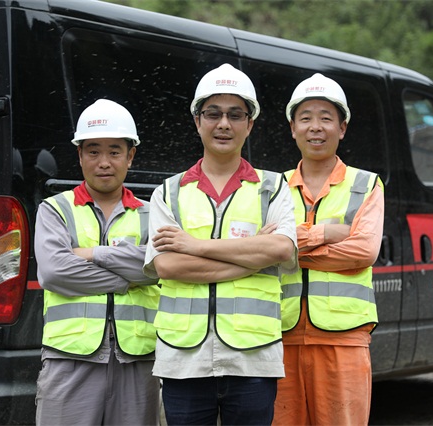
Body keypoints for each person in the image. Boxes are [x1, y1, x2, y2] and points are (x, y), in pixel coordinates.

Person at [143, 63, 298, 426]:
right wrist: (253, 254)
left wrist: (193, 245)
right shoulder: (169, 192)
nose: (224, 124)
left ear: (250, 124)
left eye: (235, 114)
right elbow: (167, 265)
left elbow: (281, 250)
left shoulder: (273, 187)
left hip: (253, 358)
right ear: (197, 121)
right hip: (184, 358)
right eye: (213, 114)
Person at [34, 99, 161, 426]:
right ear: (79, 156)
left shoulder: (152, 214)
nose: (104, 162)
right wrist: (129, 279)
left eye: (115, 152)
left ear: (130, 156)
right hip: (69, 358)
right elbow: (55, 271)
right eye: (93, 151)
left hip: (138, 359)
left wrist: (94, 253)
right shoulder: (55, 209)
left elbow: (159, 266)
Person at [272, 73, 385, 426]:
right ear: (293, 128)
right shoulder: (271, 187)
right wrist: (328, 233)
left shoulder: (365, 184)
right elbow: (263, 248)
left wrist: (292, 247)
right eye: (305, 118)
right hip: (280, 335)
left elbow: (363, 251)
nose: (315, 127)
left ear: (342, 127)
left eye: (326, 118)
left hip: (344, 340)